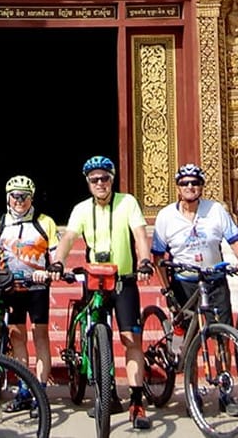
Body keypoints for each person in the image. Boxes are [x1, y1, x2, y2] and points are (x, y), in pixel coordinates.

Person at [51, 155, 153, 430]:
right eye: (94, 179)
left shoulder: (127, 202)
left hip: (123, 279)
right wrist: (58, 261)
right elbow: (69, 238)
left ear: (112, 179)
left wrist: (145, 260)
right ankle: (103, 388)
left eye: (105, 178)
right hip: (94, 279)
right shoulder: (82, 209)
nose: (100, 183)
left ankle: (136, 400)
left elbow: (140, 235)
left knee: (131, 338)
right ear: (88, 183)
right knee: (95, 331)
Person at [150, 163, 238, 415]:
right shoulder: (165, 216)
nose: (190, 187)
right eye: (185, 183)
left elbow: (235, 239)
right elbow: (158, 256)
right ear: (178, 188)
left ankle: (225, 391)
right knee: (191, 339)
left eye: (195, 182)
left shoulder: (215, 210)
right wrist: (166, 289)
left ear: (202, 187)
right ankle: (192, 391)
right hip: (184, 282)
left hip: (214, 279)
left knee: (222, 337)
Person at [0, 174, 58, 411]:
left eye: (24, 196)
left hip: (37, 286)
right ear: (8, 198)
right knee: (17, 337)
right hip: (11, 287)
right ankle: (25, 390)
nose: (20, 201)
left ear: (31, 198)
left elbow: (55, 254)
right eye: (15, 196)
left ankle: (41, 391)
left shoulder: (45, 222)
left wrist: (50, 270)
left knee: (40, 337)